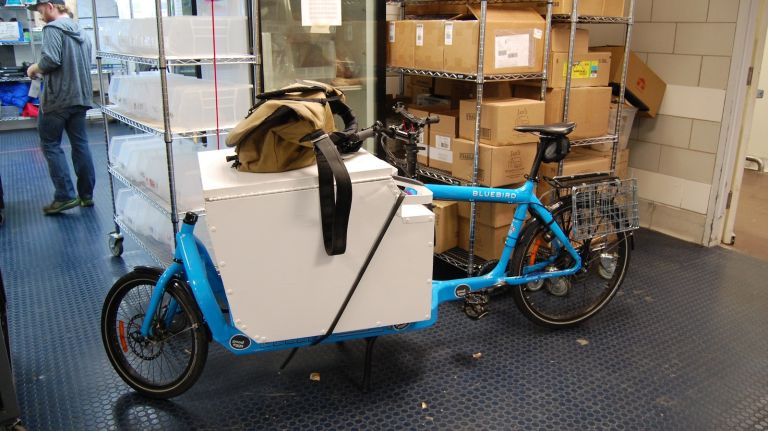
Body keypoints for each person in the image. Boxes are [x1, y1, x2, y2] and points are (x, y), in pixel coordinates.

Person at [26, 0, 95, 215]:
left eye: (39, 10)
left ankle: (64, 196)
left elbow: (50, 61)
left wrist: (33, 68)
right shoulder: (81, 31)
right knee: (80, 144)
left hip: (58, 100)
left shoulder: (52, 29)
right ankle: (86, 195)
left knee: (50, 144)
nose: (39, 15)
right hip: (81, 97)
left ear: (49, 6)